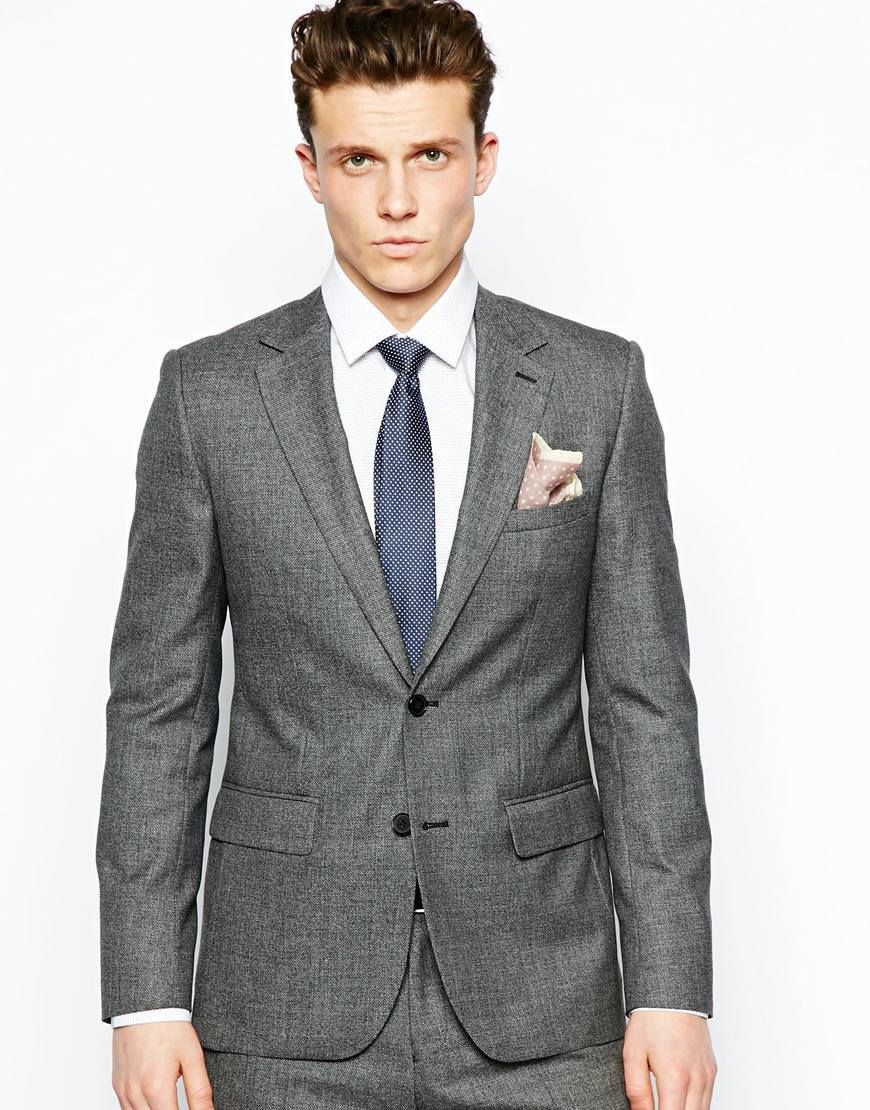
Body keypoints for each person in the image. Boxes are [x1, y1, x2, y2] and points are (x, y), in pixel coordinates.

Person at [96, 1, 717, 1107]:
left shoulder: (597, 384)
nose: (396, 201)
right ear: (311, 170)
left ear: (483, 159)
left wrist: (672, 989)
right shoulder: (209, 396)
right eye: (359, 161)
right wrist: (146, 1001)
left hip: (547, 1001)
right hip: (284, 1003)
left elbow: (644, 704)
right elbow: (159, 710)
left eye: (429, 155)